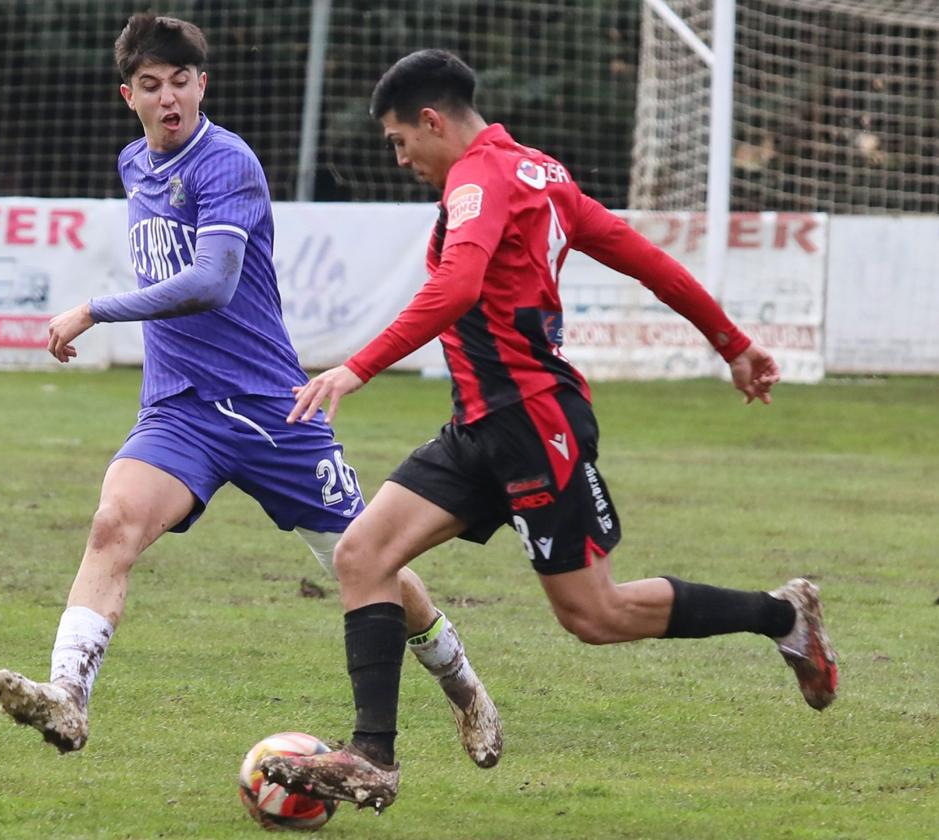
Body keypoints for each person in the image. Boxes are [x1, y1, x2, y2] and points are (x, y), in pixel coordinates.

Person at [261, 49, 838, 812]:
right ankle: (372, 758)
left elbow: (458, 283)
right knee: (363, 552)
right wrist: (732, 343)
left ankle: (781, 614)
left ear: (433, 120)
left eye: (401, 140)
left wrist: (356, 367)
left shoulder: (481, 179)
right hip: (480, 425)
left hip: (534, 424)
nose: (401, 159)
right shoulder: (540, 172)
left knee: (592, 616)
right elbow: (646, 260)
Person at [0, 17, 502, 769]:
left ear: (203, 84)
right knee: (112, 525)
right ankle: (68, 694)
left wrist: (96, 308)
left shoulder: (226, 162)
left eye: (182, 81)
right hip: (180, 411)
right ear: (127, 95)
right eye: (152, 85)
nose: (170, 98)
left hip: (271, 413)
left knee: (369, 564)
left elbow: (211, 282)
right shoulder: (135, 162)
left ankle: (466, 692)